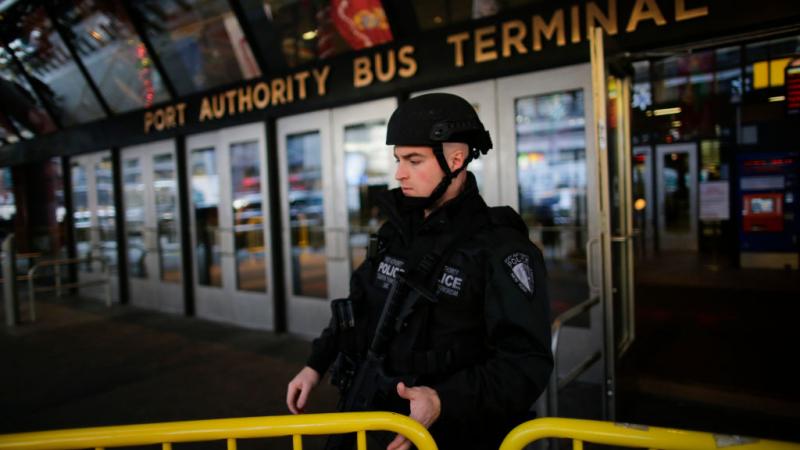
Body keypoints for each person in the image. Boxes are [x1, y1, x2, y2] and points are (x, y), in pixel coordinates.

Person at [286, 93, 553, 450]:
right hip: (371, 418)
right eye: (398, 159)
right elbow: (358, 306)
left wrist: (443, 400)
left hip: (452, 433)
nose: (399, 173)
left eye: (414, 160)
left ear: (456, 160)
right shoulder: (394, 232)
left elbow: (525, 365)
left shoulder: (500, 249)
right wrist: (316, 364)